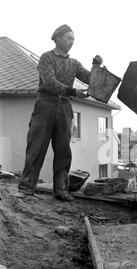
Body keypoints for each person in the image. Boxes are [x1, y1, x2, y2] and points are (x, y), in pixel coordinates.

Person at [16, 24, 103, 201]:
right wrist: (73, 92)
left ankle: (61, 190)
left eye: (73, 39)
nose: (71, 42)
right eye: (68, 38)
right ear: (57, 38)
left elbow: (90, 79)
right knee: (36, 147)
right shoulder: (46, 58)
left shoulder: (73, 63)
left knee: (63, 150)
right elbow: (50, 82)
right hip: (45, 105)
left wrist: (95, 66)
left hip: (64, 107)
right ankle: (26, 188)